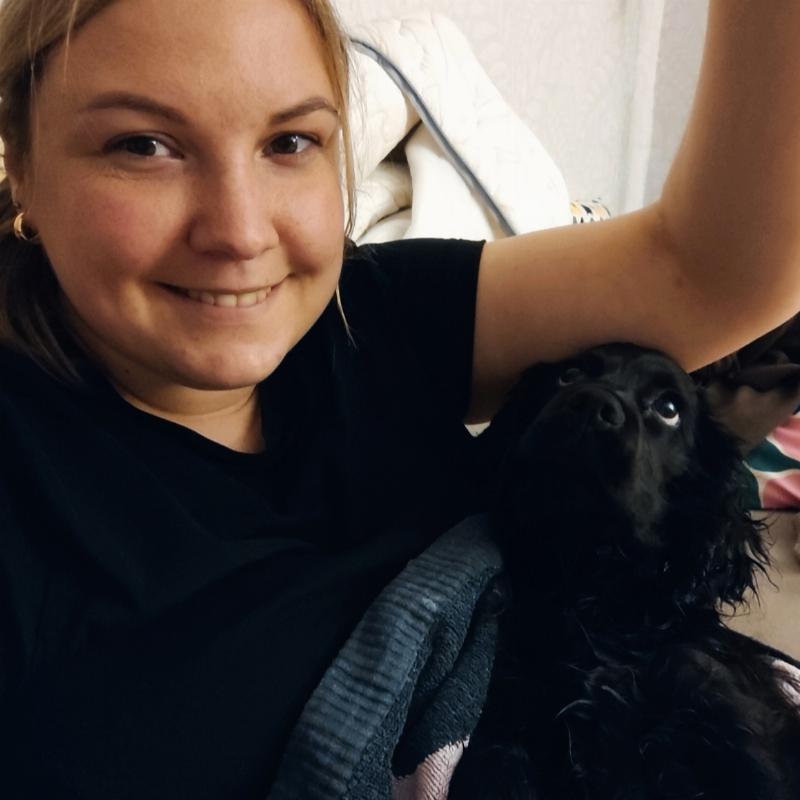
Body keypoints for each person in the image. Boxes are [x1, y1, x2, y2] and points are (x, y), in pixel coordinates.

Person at [0, 0, 799, 796]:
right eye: (143, 145)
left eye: (290, 141)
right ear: (20, 163)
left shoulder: (365, 315)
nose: (240, 232)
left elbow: (707, 269)